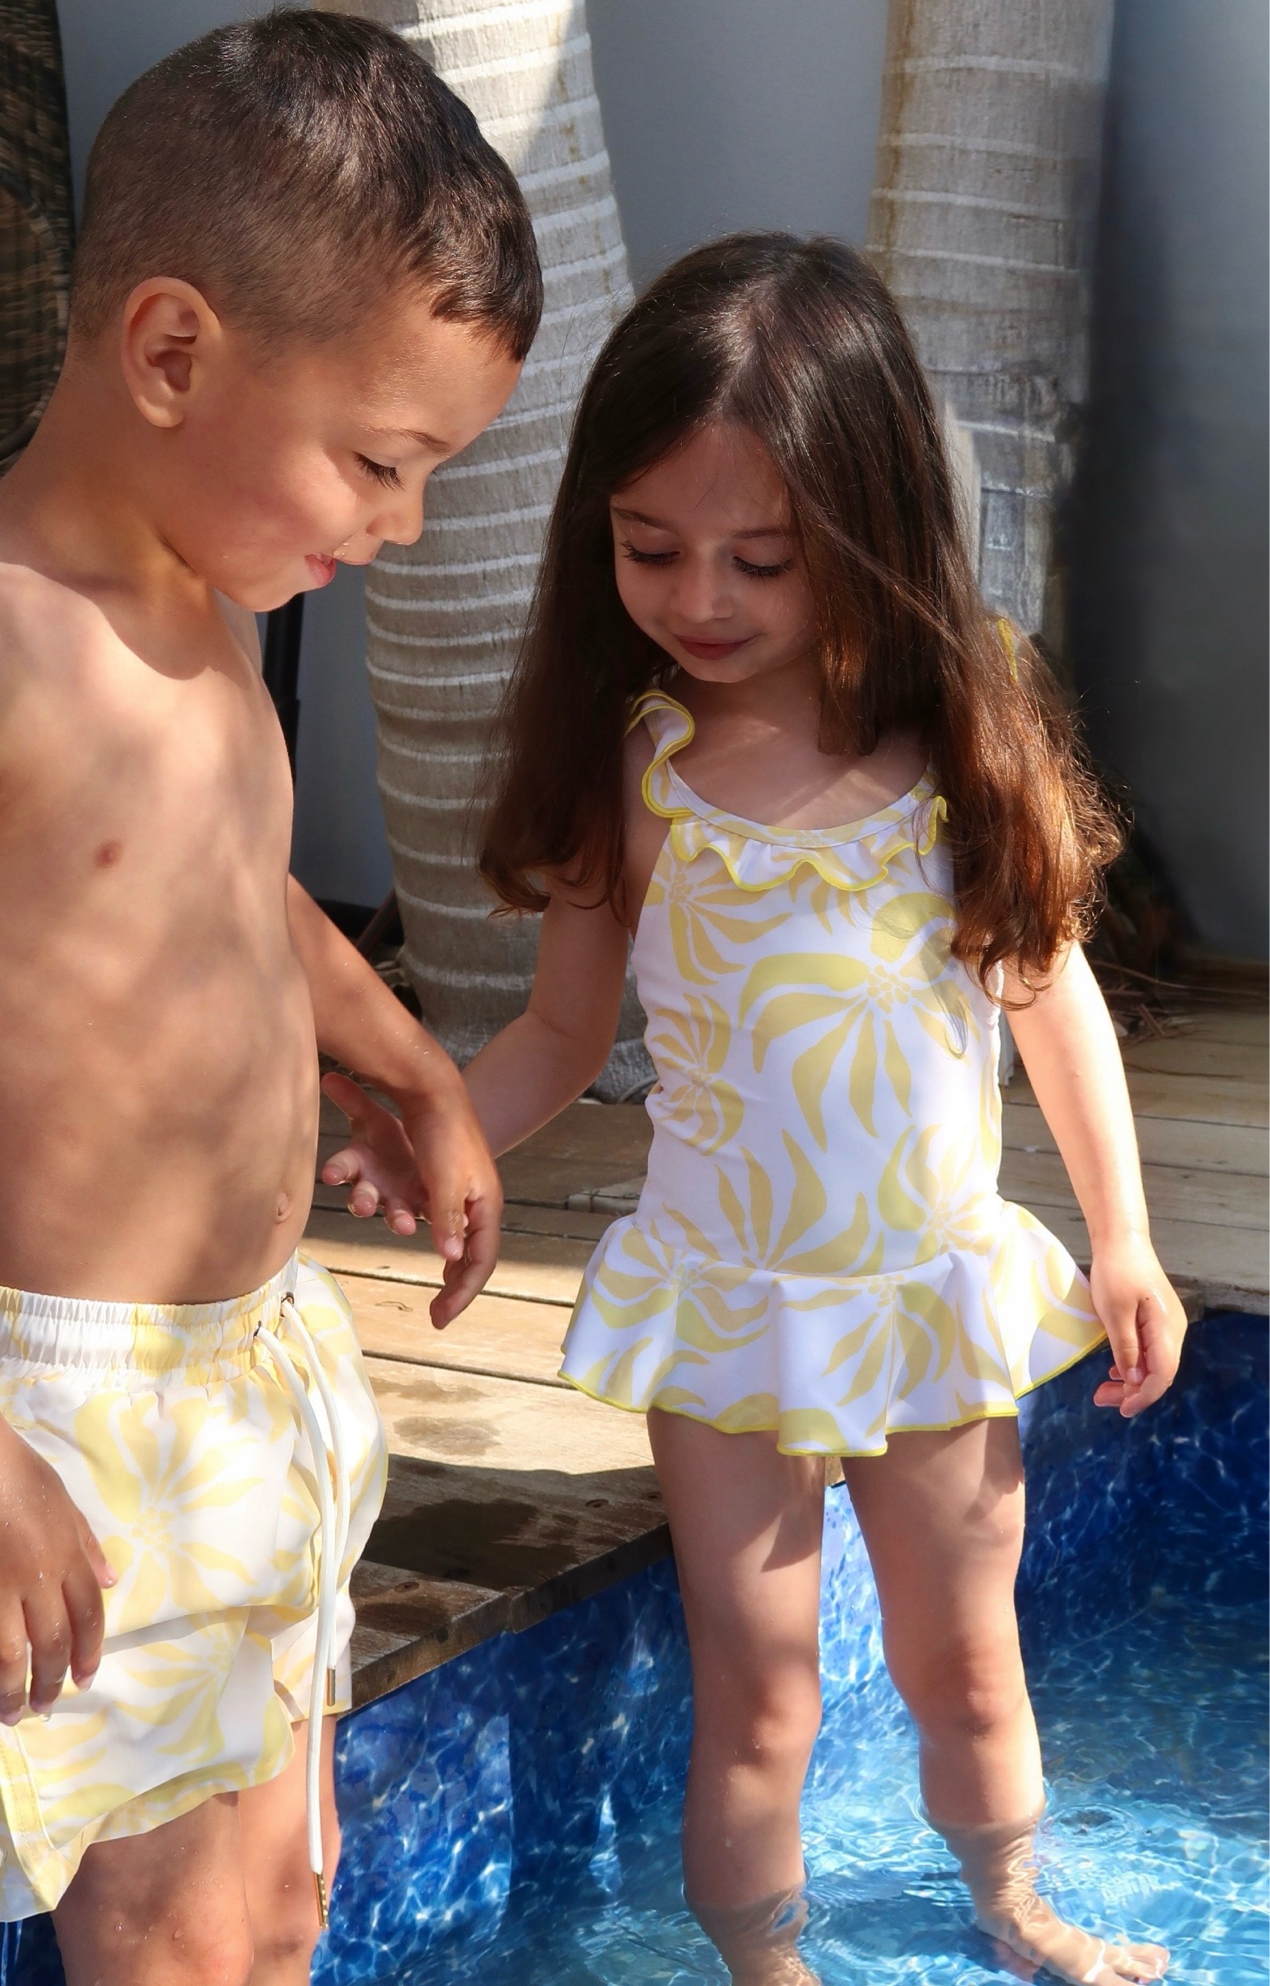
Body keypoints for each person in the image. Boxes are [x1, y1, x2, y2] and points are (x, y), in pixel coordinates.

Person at [339, 234, 1185, 1984]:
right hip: (725, 1299)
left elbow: (1050, 996)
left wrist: (1121, 1238)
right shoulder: (638, 773)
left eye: (759, 557)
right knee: (763, 1688)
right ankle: (762, 1964)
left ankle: (1012, 1903)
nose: (699, 595)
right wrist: (440, 1130)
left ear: (867, 531)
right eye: (649, 547)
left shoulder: (954, 755)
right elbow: (561, 1030)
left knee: (966, 1663)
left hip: (925, 1291)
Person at [0, 10, 538, 1985]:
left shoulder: (196, 610)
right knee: (177, 1943)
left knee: (278, 1909)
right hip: (63, 1414)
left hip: (252, 1372)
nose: (402, 523)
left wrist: (400, 1058)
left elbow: (228, 879)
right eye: (379, 461)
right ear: (175, 352)